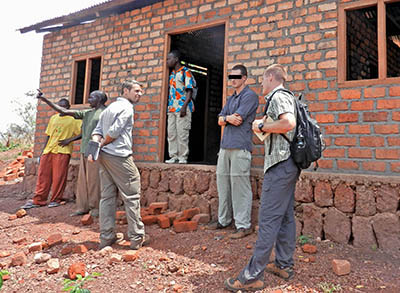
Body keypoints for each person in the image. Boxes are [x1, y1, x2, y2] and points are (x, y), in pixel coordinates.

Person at [224, 64, 300, 292]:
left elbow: (288, 124)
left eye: (263, 80)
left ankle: (251, 277)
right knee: (285, 217)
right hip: (288, 165)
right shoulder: (287, 97)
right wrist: (263, 127)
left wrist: (263, 124)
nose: (261, 84)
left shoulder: (278, 96)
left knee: (267, 220)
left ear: (270, 77)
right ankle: (284, 265)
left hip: (280, 166)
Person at [90, 80, 149, 250]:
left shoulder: (109, 108)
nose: (140, 94)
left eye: (141, 91)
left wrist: (96, 146)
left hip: (104, 157)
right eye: (136, 91)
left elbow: (97, 131)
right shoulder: (127, 108)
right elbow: (114, 132)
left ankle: (107, 237)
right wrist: (102, 144)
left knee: (107, 196)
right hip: (119, 156)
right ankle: (137, 237)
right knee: (132, 194)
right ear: (125, 91)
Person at [34, 90, 107, 217]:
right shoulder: (88, 113)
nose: (88, 100)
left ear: (99, 99)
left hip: (96, 151)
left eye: (91, 97)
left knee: (94, 180)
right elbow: (64, 111)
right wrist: (45, 100)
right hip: (85, 150)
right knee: (83, 181)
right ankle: (83, 207)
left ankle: (95, 208)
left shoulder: (105, 113)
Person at [208, 64, 259, 239]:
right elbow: (220, 120)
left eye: (236, 77)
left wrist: (226, 118)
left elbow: (237, 119)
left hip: (240, 146)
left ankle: (243, 225)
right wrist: (226, 118)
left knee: (240, 187)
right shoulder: (231, 98)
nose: (233, 80)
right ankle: (224, 220)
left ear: (244, 78)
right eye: (231, 77)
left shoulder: (250, 96)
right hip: (225, 146)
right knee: (223, 184)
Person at [21, 98, 82, 209]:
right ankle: (39, 200)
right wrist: (42, 152)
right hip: (48, 150)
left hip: (62, 151)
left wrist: (69, 140)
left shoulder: (74, 119)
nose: (60, 108)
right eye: (58, 106)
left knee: (59, 176)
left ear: (68, 108)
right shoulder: (53, 118)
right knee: (43, 176)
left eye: (63, 106)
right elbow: (48, 135)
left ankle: (56, 199)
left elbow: (84, 132)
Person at [165, 50, 195, 164]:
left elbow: (189, 90)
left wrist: (184, 107)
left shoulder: (185, 72)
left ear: (176, 59)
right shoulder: (172, 74)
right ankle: (173, 156)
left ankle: (183, 157)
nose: (167, 61)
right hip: (172, 108)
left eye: (169, 59)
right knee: (171, 133)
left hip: (183, 107)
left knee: (182, 133)